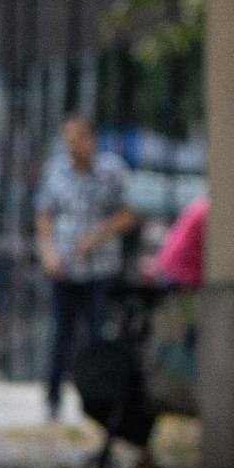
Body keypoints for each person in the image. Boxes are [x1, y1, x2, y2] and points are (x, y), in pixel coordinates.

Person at [32, 115, 136, 423]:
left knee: (95, 335)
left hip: (100, 268)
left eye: (78, 138)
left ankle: (94, 399)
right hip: (65, 268)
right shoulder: (56, 171)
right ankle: (53, 398)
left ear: (92, 139)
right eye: (68, 139)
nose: (72, 145)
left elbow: (128, 214)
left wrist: (99, 235)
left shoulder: (112, 172)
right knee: (61, 335)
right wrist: (48, 253)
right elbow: (44, 216)